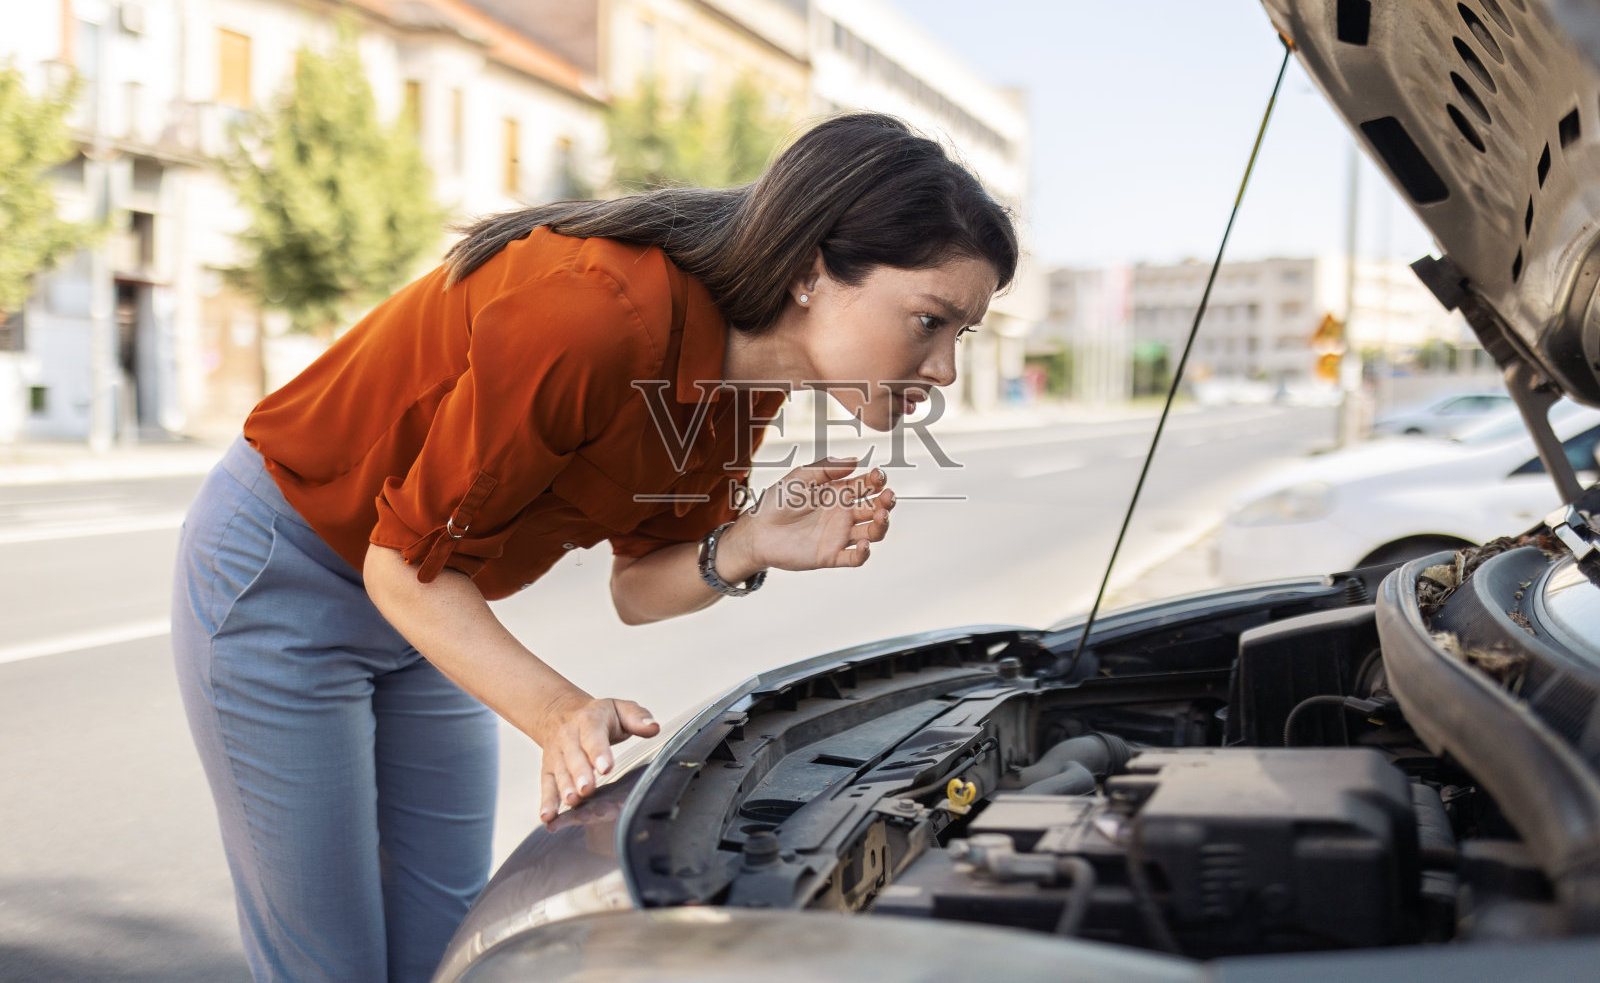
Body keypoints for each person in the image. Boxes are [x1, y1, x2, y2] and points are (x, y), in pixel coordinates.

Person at [170, 112, 1018, 982]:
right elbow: (398, 565)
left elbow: (636, 588)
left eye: (963, 334)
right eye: (928, 320)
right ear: (811, 272)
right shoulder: (591, 315)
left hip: (436, 599)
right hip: (290, 565)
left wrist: (748, 543)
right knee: (331, 962)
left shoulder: (746, 383)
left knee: (447, 947)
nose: (945, 369)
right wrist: (556, 713)